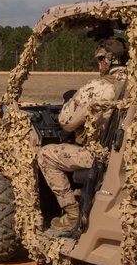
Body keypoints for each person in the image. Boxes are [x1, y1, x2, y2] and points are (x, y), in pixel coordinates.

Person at [38, 38, 127, 236]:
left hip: (101, 156)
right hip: (126, 155)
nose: (99, 65)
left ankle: (71, 214)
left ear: (107, 60)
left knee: (46, 155)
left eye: (100, 60)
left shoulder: (99, 87)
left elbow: (66, 121)